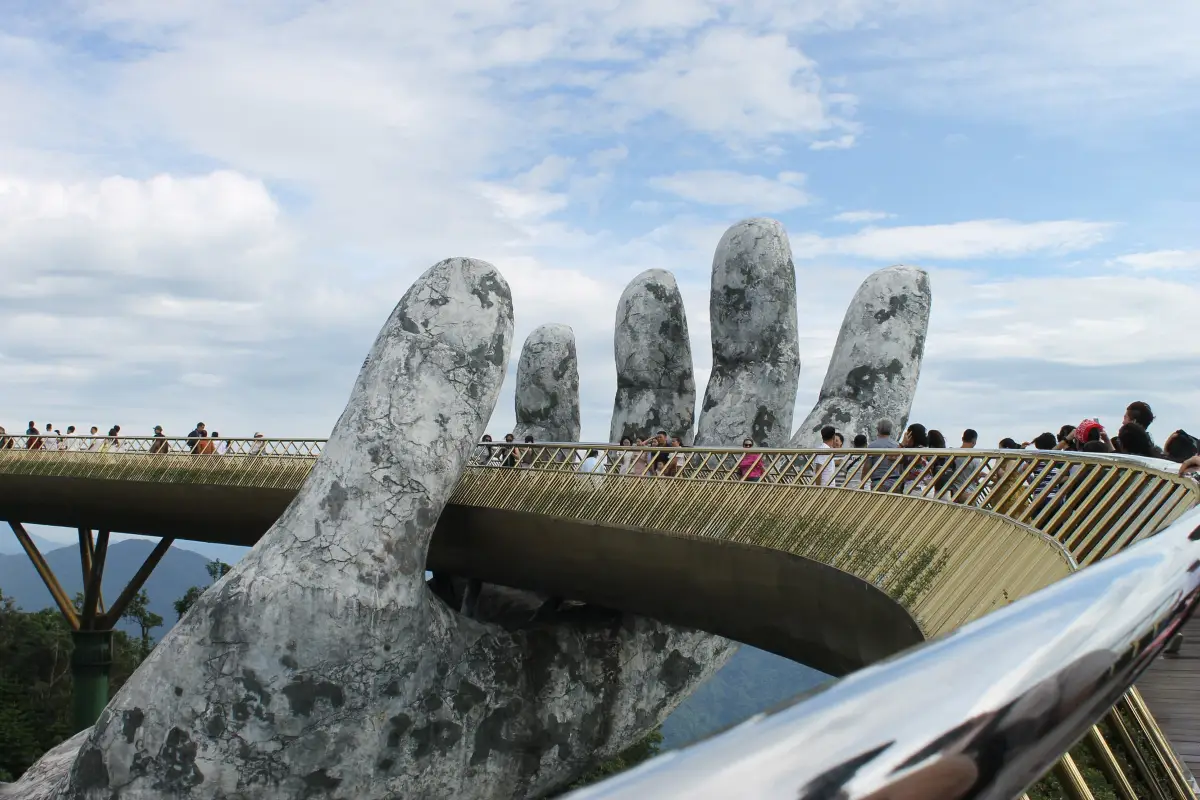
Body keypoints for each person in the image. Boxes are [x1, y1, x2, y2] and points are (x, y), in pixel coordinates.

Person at [867, 419, 901, 491]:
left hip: (878, 482)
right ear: (891, 430)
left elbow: (867, 467)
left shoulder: (872, 446)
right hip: (895, 482)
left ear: (877, 429)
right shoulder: (896, 446)